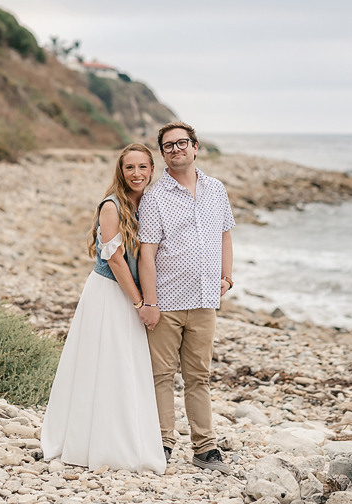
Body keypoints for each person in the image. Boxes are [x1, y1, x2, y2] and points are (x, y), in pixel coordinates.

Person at [41, 143, 166, 475]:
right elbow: (115, 258)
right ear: (120, 172)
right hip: (110, 292)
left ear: (152, 170)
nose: (136, 173)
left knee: (126, 365)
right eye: (130, 168)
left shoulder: (150, 205)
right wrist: (140, 302)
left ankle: (127, 437)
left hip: (132, 294)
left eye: (142, 167)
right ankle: (91, 442)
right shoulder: (112, 206)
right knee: (104, 364)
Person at [137, 122, 236, 474]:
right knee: (161, 376)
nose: (176, 149)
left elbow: (225, 234)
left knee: (199, 376)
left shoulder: (216, 189)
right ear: (163, 154)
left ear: (195, 147)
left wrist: (226, 277)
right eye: (168, 146)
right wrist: (150, 302)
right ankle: (161, 443)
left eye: (182, 143)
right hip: (166, 303)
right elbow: (146, 254)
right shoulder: (154, 197)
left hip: (206, 300)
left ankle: (205, 448)